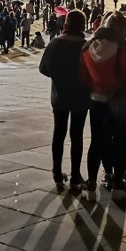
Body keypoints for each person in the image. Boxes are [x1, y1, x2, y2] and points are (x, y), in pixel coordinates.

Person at [79, 12, 126, 201]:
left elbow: (82, 77)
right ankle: (119, 184)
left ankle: (90, 185)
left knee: (97, 141)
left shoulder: (89, 45)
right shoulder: (121, 48)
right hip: (118, 101)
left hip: (97, 101)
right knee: (121, 139)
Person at [39, 10, 91, 193]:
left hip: (59, 96)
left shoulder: (56, 43)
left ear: (66, 24)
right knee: (77, 136)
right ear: (83, 26)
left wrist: (59, 76)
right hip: (81, 97)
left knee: (58, 133)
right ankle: (76, 175)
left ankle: (57, 172)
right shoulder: (87, 46)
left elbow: (43, 68)